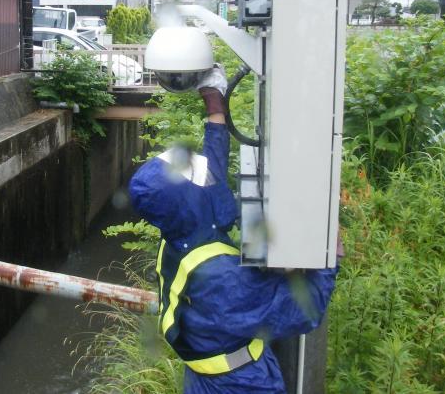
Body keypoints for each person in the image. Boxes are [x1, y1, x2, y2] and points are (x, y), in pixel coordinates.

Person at [129, 64, 340, 393]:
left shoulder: (183, 231)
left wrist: (215, 104)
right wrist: (330, 247)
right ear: (192, 199)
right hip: (239, 385)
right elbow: (304, 309)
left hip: (210, 375)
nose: (207, 179)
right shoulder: (220, 280)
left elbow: (210, 171)